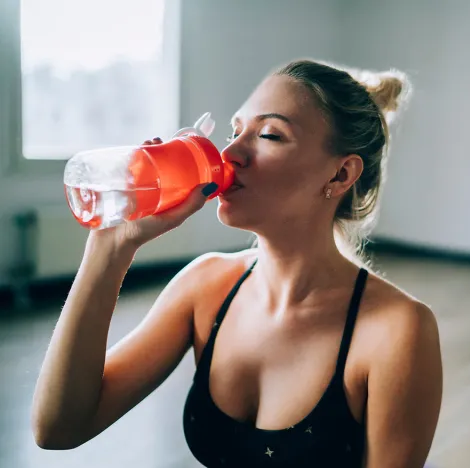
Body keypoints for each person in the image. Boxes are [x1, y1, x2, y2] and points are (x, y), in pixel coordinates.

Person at [31, 59, 443, 467]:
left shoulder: (397, 330)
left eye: (269, 134)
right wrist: (111, 247)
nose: (229, 153)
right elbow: (59, 429)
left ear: (340, 175)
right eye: (234, 130)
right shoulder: (205, 286)